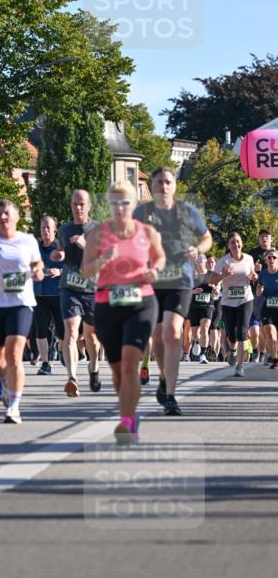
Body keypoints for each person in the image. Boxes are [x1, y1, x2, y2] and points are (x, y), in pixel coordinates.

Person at [82, 181, 164, 444]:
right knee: (118, 372)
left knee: (130, 364)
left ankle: (127, 423)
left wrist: (155, 270)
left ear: (134, 204)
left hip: (141, 302)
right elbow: (85, 270)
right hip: (108, 303)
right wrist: (103, 259)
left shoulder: (147, 232)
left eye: (125, 203)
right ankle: (130, 415)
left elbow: (160, 257)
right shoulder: (98, 234)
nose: (120, 208)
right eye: (115, 203)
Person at [134, 166, 211, 415]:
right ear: (152, 186)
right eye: (159, 182)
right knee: (157, 338)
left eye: (168, 182)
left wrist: (197, 249)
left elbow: (206, 238)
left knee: (173, 332)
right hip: (152, 280)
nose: (163, 186)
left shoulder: (187, 212)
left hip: (180, 279)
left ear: (174, 185)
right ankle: (164, 375)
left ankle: (170, 396)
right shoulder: (142, 213)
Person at [0, 200, 43, 424]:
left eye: (7, 214)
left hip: (21, 303)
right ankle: (4, 380)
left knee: (14, 354)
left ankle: (14, 406)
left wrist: (37, 271)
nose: (3, 218)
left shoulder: (28, 241)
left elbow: (38, 265)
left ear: (16, 217)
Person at [51, 189, 102, 397]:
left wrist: (85, 245)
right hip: (69, 287)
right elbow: (63, 250)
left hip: (91, 288)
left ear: (89, 205)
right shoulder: (64, 229)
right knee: (71, 333)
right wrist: (58, 254)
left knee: (91, 336)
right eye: (75, 204)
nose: (78, 208)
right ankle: (72, 378)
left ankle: (94, 366)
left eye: (82, 204)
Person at [209, 232, 257, 377]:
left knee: (242, 331)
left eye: (238, 241)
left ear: (241, 243)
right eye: (232, 242)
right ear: (228, 245)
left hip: (246, 299)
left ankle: (239, 366)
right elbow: (211, 280)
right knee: (231, 334)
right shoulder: (224, 261)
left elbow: (253, 274)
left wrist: (254, 277)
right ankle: (232, 349)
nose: (236, 245)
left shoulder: (249, 258)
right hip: (228, 302)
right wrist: (223, 275)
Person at [34, 215, 63, 375]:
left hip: (58, 295)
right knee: (41, 330)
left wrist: (60, 271)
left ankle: (62, 350)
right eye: (43, 227)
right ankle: (46, 363)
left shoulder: (62, 248)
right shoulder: (34, 248)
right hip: (39, 295)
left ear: (55, 230)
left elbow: (74, 269)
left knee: (63, 332)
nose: (45, 231)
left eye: (48, 228)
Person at [187, 254, 218, 364]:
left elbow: (218, 291)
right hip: (194, 306)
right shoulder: (191, 276)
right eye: (197, 260)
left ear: (205, 261)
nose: (199, 261)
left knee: (205, 328)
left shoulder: (212, 275)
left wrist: (214, 288)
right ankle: (196, 341)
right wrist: (193, 292)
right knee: (195, 333)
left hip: (207, 305)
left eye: (201, 259)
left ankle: (203, 354)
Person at [249, 229, 273, 362]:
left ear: (271, 239)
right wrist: (254, 270)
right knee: (260, 326)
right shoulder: (252, 254)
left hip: (273, 293)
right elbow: (248, 273)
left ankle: (268, 352)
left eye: (267, 237)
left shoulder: (276, 252)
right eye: (262, 237)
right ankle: (260, 352)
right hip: (257, 294)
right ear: (259, 239)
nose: (264, 239)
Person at [256, 247, 278, 368]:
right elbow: (258, 292)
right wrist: (259, 291)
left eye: (274, 257)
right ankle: (275, 359)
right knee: (269, 332)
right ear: (265, 260)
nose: (271, 259)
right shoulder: (263, 274)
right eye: (269, 257)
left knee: (276, 338)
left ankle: (274, 354)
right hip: (267, 307)